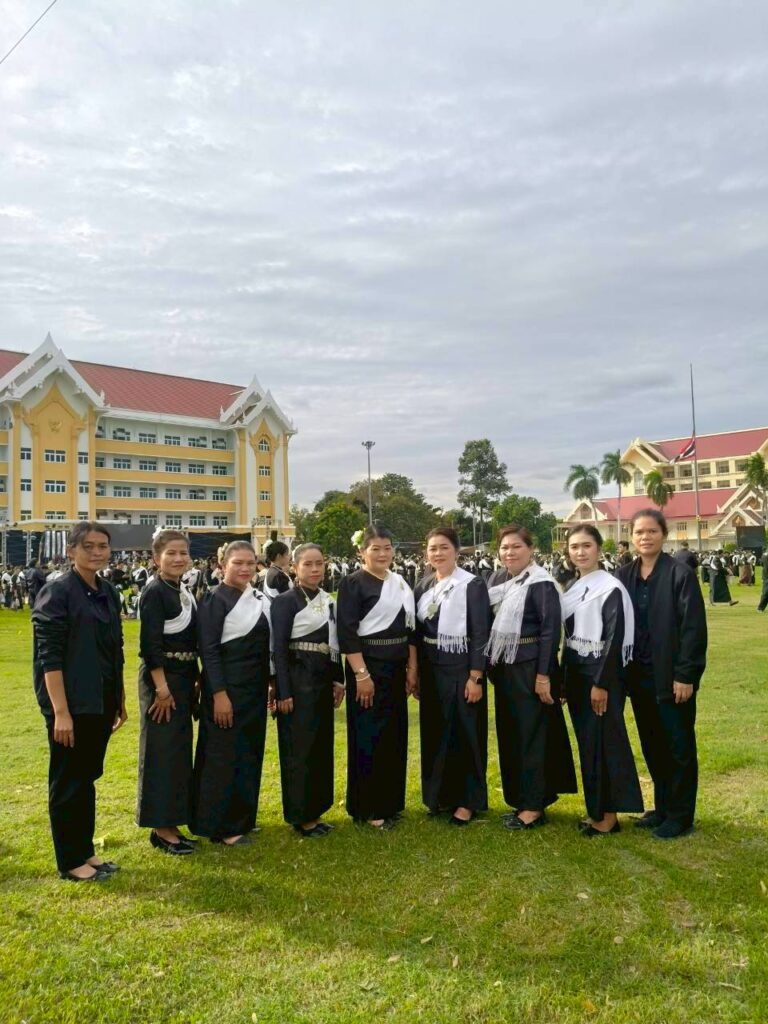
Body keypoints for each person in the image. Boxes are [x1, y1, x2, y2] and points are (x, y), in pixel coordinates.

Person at [31, 522, 128, 881]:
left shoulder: (108, 590)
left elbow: (115, 647)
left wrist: (119, 698)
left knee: (86, 777)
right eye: (88, 546)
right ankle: (71, 861)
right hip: (70, 704)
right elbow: (49, 657)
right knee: (68, 780)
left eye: (103, 546)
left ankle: (85, 850)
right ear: (71, 550)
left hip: (100, 699)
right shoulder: (57, 592)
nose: (97, 552)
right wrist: (61, 713)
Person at [618, 509, 707, 839]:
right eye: (639, 532)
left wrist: (686, 675)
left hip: (672, 677)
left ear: (663, 535)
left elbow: (693, 629)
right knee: (653, 744)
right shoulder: (624, 575)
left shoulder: (679, 574)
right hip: (639, 677)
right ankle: (663, 807)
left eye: (652, 531)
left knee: (678, 746)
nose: (645, 537)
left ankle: (681, 815)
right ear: (632, 536)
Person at [486, 525, 576, 831]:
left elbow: (551, 632)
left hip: (531, 667)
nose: (509, 552)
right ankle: (520, 799)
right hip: (504, 669)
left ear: (530, 549)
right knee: (511, 734)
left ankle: (534, 805)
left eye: (516, 547)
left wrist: (543, 675)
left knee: (532, 736)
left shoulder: (541, 583)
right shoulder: (497, 580)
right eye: (504, 547)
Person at [561, 526, 643, 836]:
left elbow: (613, 638)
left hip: (601, 675)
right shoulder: (573, 586)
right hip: (578, 675)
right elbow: (568, 639)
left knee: (606, 744)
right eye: (574, 546)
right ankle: (597, 810)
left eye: (587, 545)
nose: (580, 552)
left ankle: (608, 817)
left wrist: (601, 683)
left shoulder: (610, 587)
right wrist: (564, 682)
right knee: (589, 745)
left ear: (598, 549)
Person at [337, 525, 417, 830]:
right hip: (367, 668)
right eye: (375, 549)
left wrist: (412, 668)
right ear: (362, 552)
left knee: (394, 734)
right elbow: (347, 633)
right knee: (369, 734)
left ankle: (390, 802)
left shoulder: (400, 583)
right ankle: (369, 807)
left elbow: (410, 629)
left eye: (387, 548)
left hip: (396, 668)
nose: (382, 554)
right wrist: (361, 675)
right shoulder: (352, 583)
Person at [192, 542, 272, 845]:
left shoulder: (257, 597)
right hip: (226, 687)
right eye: (238, 563)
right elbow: (209, 650)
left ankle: (243, 818)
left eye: (250, 563)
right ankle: (221, 826)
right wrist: (219, 694)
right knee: (223, 755)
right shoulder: (214, 599)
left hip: (254, 688)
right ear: (223, 565)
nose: (245, 568)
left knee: (248, 752)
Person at [413, 527, 490, 825]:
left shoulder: (472, 584)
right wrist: (415, 672)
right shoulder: (423, 585)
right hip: (431, 668)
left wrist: (476, 676)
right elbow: (416, 632)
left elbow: (480, 632)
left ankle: (467, 801)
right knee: (436, 732)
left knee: (464, 733)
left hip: (461, 667)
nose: (438, 553)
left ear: (456, 551)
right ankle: (439, 796)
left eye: (444, 547)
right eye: (433, 548)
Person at [272, 544, 345, 837]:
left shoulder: (328, 600)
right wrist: (283, 691)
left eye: (319, 564)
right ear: (295, 568)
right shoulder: (285, 601)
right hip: (297, 679)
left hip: (322, 679)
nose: (315, 569)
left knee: (319, 747)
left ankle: (316, 810)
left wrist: (338, 680)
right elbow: (278, 649)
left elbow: (335, 644)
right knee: (299, 749)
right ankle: (301, 815)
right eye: (308, 564)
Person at [136, 529, 199, 855]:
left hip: (183, 679)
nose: (178, 559)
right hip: (163, 681)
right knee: (160, 753)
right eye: (171, 553)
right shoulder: (154, 591)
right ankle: (161, 829)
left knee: (177, 753)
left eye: (183, 553)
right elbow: (150, 646)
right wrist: (162, 690)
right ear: (156, 557)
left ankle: (172, 824)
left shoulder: (181, 589)